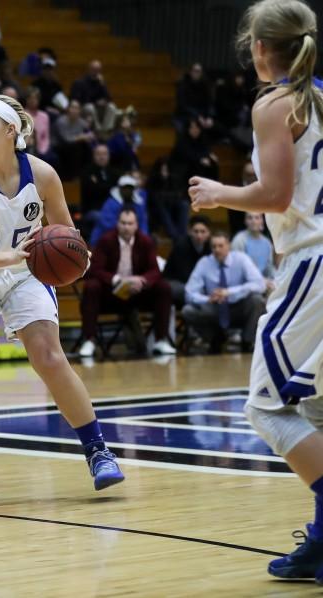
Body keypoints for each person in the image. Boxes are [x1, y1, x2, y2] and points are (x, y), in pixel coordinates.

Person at [187, 1, 323, 582]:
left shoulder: (276, 103)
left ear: (261, 48)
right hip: (313, 258)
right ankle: (321, 542)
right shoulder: (318, 95)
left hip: (313, 264)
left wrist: (220, 192)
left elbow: (272, 194)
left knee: (267, 407)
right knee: (315, 408)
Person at [0, 94, 125, 499]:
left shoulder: (42, 174)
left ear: (11, 130)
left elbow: (66, 231)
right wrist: (6, 255)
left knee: (49, 356)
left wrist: (80, 255)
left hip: (25, 275)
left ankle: (98, 451)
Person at [79, 208, 176, 357]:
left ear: (136, 225)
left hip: (137, 293)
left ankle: (161, 340)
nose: (126, 227)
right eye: (123, 223)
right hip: (111, 294)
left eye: (130, 223)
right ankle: (89, 341)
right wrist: (116, 279)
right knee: (91, 287)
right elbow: (96, 270)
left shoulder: (145, 241)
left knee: (163, 287)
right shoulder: (106, 241)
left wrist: (142, 280)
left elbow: (155, 271)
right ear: (117, 224)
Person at [182, 231, 266, 353]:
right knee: (188, 310)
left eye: (220, 246)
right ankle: (215, 339)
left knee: (257, 300)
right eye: (214, 246)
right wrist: (208, 299)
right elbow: (189, 292)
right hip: (215, 308)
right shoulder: (204, 263)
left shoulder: (241, 259)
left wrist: (229, 292)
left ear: (229, 246)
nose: (217, 250)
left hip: (239, 307)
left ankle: (248, 341)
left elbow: (260, 284)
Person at [164, 215, 212, 305]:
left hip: (198, 283)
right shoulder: (181, 245)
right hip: (176, 281)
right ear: (189, 232)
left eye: (203, 232)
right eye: (196, 231)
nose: (199, 235)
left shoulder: (211, 247)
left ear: (209, 233)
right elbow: (183, 274)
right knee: (184, 291)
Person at [90, 174, 149, 245]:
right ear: (120, 188)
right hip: (106, 240)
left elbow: (143, 223)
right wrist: (128, 232)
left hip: (132, 239)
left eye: (130, 188)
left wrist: (143, 238)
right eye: (125, 188)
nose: (128, 190)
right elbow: (107, 224)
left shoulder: (138, 204)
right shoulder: (110, 203)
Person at [232, 211, 276, 284]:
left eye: (257, 218)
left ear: (262, 221)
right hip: (245, 283)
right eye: (250, 218)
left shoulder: (267, 242)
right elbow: (238, 268)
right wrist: (262, 281)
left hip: (264, 282)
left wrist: (277, 279)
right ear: (245, 221)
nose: (253, 221)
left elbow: (269, 267)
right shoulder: (239, 240)